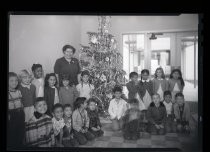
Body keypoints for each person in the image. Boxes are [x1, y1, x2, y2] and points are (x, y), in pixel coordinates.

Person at [8, 72, 25, 148]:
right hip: (12, 116)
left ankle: (20, 145)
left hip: (20, 114)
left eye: (16, 80)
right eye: (11, 80)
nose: (14, 82)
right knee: (12, 134)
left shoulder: (19, 92)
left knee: (20, 132)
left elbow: (21, 103)